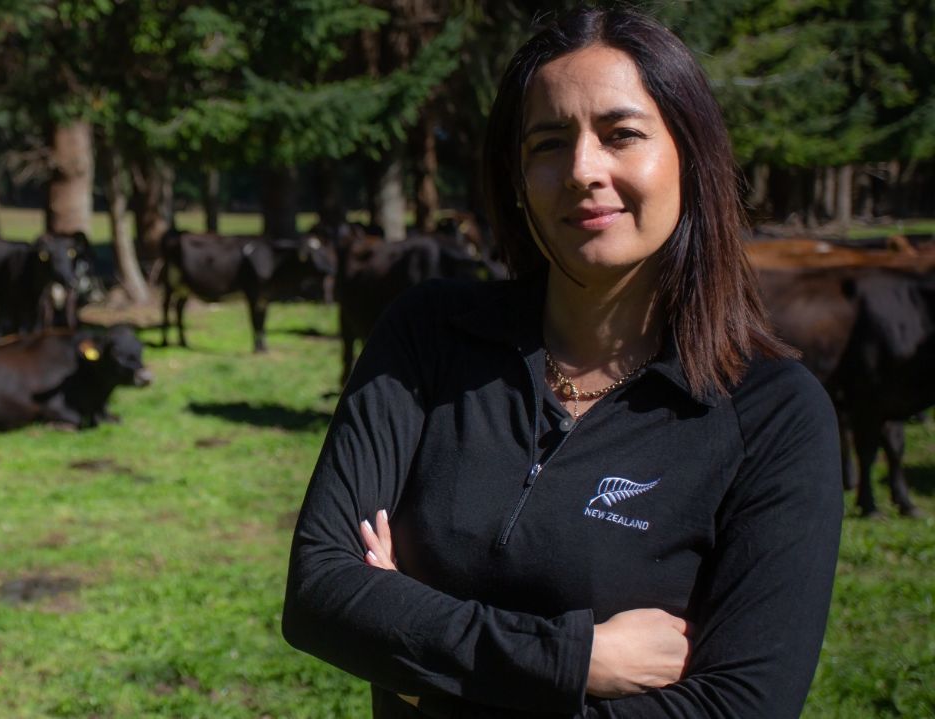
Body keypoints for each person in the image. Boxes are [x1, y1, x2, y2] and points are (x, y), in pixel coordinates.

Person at [282, 6, 843, 719]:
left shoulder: (772, 414)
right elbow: (319, 592)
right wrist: (575, 659)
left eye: (621, 135)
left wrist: (424, 659)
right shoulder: (428, 337)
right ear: (518, 177)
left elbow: (741, 706)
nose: (582, 170)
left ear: (691, 157)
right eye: (549, 142)